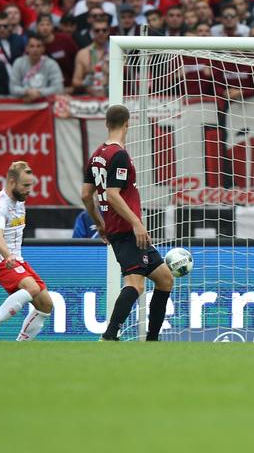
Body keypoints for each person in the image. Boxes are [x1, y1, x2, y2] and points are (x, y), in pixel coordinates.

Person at [81, 105, 174, 341]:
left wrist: (100, 223)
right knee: (136, 284)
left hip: (114, 227)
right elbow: (113, 193)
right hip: (125, 229)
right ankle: (109, 335)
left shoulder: (96, 155)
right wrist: (137, 223)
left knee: (164, 279)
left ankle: (152, 339)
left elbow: (85, 195)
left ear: (106, 123)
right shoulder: (119, 155)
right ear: (128, 124)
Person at [0, 161, 53, 341]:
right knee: (32, 287)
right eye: (25, 185)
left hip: (16, 258)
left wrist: (13, 257)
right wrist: (8, 255)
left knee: (46, 304)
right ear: (11, 182)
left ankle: (20, 346)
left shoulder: (18, 200)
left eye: (31, 185)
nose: (29, 190)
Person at [9, 34, 63, 102]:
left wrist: (39, 93)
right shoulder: (18, 63)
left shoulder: (52, 64)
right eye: (32, 46)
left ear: (43, 49)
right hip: (23, 103)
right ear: (27, 49)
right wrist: (27, 92)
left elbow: (58, 88)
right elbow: (13, 88)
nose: (35, 49)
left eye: (38, 46)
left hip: (45, 104)